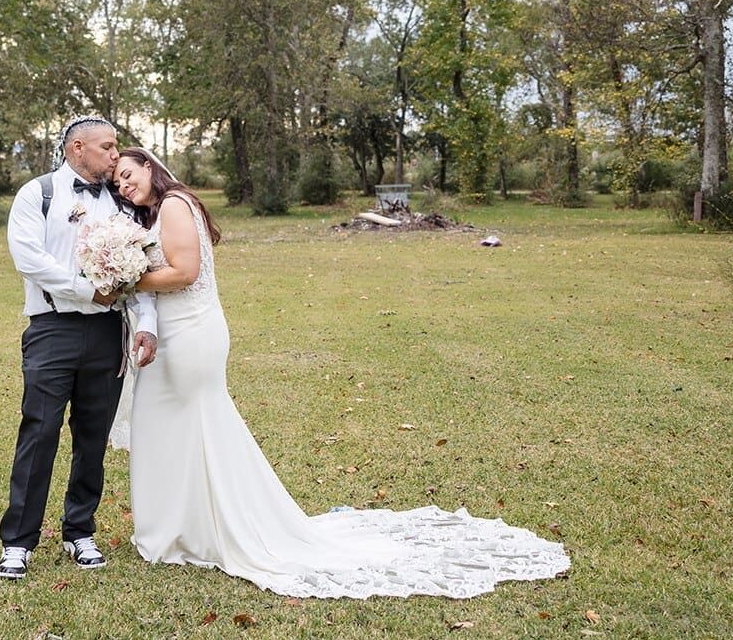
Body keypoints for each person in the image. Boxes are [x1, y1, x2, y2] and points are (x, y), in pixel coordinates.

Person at [111, 147, 571, 599]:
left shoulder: (173, 205)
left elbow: (185, 272)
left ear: (149, 167)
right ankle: (191, 526)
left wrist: (127, 277)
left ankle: (208, 529)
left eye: (129, 174)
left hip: (190, 333)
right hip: (179, 332)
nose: (125, 185)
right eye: (117, 183)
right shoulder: (159, 209)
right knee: (183, 428)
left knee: (197, 425)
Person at [0, 117, 159, 580]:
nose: (115, 155)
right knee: (40, 431)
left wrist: (145, 323)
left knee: (93, 436)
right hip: (52, 330)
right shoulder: (38, 193)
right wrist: (86, 291)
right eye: (107, 147)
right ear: (77, 148)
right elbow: (29, 259)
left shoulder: (122, 204)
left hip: (109, 333)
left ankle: (79, 531)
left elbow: (140, 269)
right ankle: (18, 542)